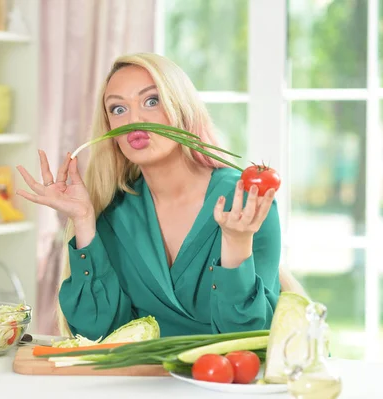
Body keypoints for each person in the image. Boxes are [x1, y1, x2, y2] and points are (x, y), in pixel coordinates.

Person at [17, 52, 303, 340]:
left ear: (182, 109)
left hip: (224, 381)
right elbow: (97, 333)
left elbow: (248, 337)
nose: (134, 120)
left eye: (151, 101)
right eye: (118, 109)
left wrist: (237, 243)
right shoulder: (115, 213)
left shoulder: (243, 199)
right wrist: (83, 220)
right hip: (145, 382)